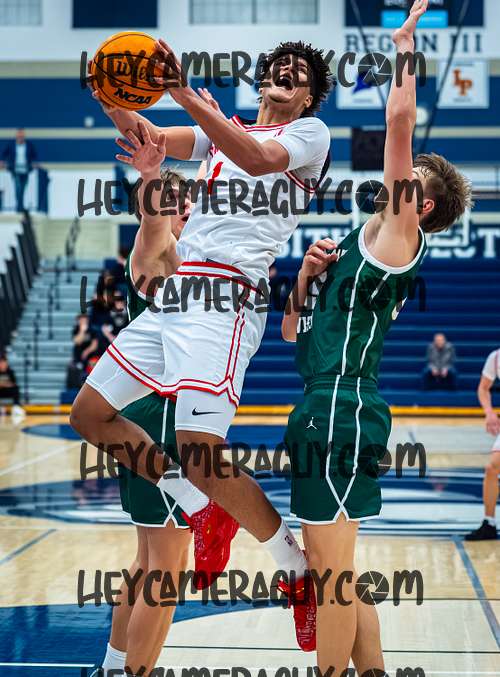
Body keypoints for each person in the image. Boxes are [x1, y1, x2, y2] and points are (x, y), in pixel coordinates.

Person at [71, 40, 333, 650]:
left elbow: (258, 158)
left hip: (228, 297)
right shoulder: (221, 131)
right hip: (178, 291)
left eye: (297, 75)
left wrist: (186, 94)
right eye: (278, 67)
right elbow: (150, 137)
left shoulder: (308, 136)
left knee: (199, 452)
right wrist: (110, 95)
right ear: (262, 81)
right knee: (89, 414)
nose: (284, 75)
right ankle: (199, 505)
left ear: (308, 98)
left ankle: (296, 570)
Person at [281, 0, 472, 671]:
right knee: (334, 567)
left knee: (330, 574)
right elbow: (290, 330)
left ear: (422, 205)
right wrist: (305, 278)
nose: (398, 174)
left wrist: (405, 46)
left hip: (343, 407)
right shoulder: (355, 248)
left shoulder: (397, 235)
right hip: (320, 403)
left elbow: (397, 120)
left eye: (410, 178)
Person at [90, 91, 234, 677]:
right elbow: (154, 222)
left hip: (141, 420)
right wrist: (154, 180)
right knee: (166, 573)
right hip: (163, 422)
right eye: (182, 204)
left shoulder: (187, 254)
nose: (189, 209)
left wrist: (117, 107)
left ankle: (111, 665)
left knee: (147, 558)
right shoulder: (157, 248)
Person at [465, 348, 500, 541]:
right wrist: (489, 412)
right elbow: (483, 388)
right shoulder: (495, 358)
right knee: (492, 468)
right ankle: (489, 523)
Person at [1, 128, 37, 212]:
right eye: (19, 136)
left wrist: (34, 163)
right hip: (15, 169)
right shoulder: (11, 145)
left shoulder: (29, 145)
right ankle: (20, 207)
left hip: (25, 170)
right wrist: (2, 162)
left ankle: (20, 205)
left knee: (23, 188)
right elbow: (3, 153)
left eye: (22, 136)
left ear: (24, 137)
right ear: (16, 136)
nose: (20, 137)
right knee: (18, 187)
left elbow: (34, 155)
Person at [0, 352, 25, 420]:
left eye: (4, 363)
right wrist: (5, 384)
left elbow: (13, 383)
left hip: (7, 391)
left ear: (6, 363)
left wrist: (4, 384)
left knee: (16, 388)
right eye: (1, 363)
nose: (2, 365)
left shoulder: (10, 372)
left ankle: (16, 407)